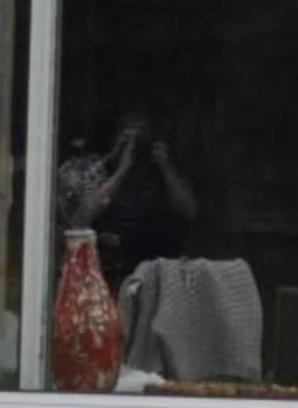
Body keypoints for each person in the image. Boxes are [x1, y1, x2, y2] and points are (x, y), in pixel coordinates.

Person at [59, 113, 196, 288]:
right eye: (128, 140)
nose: (136, 148)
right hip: (110, 258)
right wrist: (121, 170)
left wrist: (165, 166)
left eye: (142, 139)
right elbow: (81, 219)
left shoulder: (165, 173)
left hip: (155, 261)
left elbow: (189, 212)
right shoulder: (100, 170)